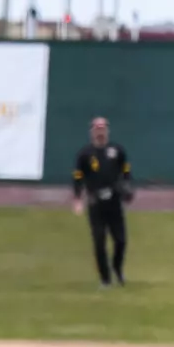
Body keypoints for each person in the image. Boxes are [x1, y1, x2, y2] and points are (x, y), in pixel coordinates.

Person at [72, 116, 133, 287]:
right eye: (97, 129)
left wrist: (127, 188)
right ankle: (105, 279)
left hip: (114, 202)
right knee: (99, 242)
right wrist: (78, 198)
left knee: (121, 240)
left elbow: (126, 171)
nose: (100, 133)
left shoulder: (117, 150)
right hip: (96, 203)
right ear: (91, 132)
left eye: (103, 129)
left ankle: (117, 268)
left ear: (107, 130)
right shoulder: (85, 154)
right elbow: (78, 177)